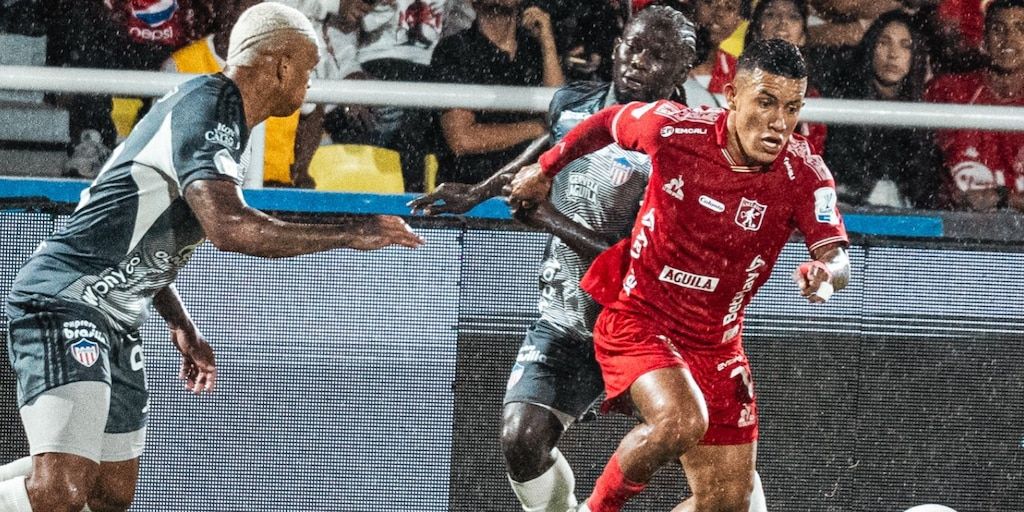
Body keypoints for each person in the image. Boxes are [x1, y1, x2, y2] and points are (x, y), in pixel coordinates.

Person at [0, 4, 423, 512]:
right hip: (66, 299)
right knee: (63, 492)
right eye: (309, 67)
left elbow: (141, 234)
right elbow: (229, 228)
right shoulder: (208, 106)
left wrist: (181, 324)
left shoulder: (217, 113)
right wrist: (352, 232)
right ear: (281, 65)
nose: (312, 80)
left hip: (116, 314)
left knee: (109, 493)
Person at [412, 7, 734, 512]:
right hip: (566, 319)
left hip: (649, 330)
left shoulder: (689, 149)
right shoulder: (574, 103)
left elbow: (636, 266)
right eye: (632, 46)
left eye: (657, 55)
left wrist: (549, 220)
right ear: (617, 45)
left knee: (715, 471)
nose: (637, 61)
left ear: (682, 70)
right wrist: (478, 191)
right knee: (521, 440)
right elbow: (546, 155)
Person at [509, 39, 851, 512]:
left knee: (727, 503)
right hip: (640, 319)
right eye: (766, 102)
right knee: (680, 421)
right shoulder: (674, 128)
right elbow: (607, 122)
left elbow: (836, 257)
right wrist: (545, 169)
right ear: (732, 96)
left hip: (717, 344)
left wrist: (826, 275)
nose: (779, 122)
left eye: (792, 108)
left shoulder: (805, 172)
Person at [429, 0, 565, 185]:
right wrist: (537, 129)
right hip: (471, 188)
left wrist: (548, 44)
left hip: (530, 188)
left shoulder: (534, 49)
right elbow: (462, 139)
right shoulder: (454, 49)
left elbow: (560, 119)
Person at [823, 10, 942, 208]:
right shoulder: (843, 102)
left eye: (905, 46)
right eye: (884, 43)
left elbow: (924, 185)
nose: (893, 55)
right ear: (870, 48)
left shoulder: (923, 112)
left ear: (916, 56)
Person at [924, 0, 1024, 212]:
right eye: (998, 29)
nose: (1009, 39)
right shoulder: (948, 91)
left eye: (1020, 29)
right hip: (954, 223)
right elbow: (916, 166)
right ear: (984, 38)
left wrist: (1003, 198)